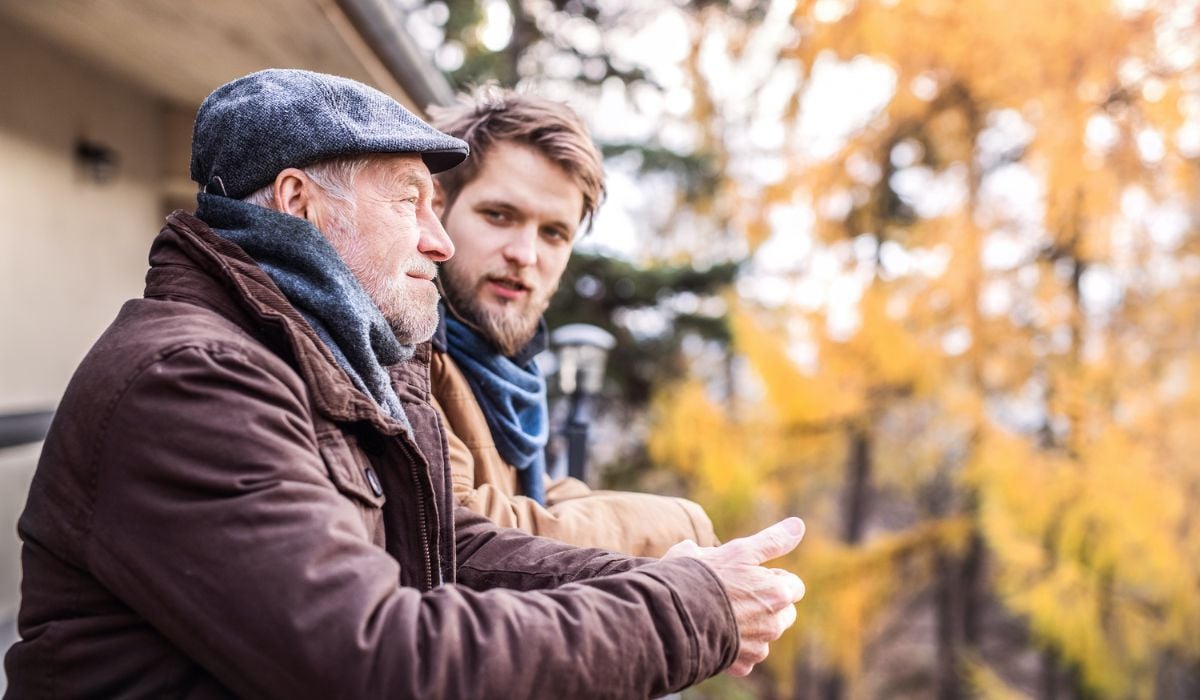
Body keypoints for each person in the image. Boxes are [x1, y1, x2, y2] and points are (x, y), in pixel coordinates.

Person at [5, 69, 806, 698]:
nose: (438, 241)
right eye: (410, 202)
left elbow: (448, 547)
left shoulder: (337, 365)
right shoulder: (193, 381)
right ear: (299, 204)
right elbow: (377, 661)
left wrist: (669, 580)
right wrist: (684, 613)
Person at [426, 89, 719, 557]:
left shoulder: (507, 377)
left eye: (553, 233)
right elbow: (458, 526)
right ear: (436, 204)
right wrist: (687, 526)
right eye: (499, 215)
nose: (525, 254)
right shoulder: (407, 345)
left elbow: (534, 500)